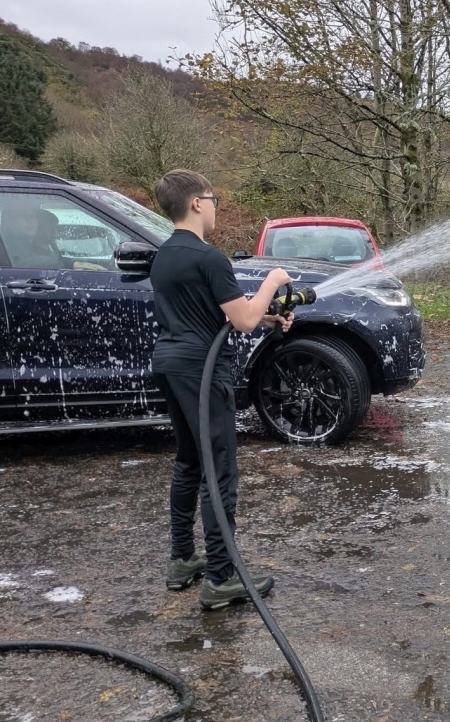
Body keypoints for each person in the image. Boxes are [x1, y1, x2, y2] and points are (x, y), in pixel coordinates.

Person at [150, 169, 295, 611]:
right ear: (197, 203)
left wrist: (268, 316)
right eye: (213, 199)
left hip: (171, 364)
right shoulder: (208, 256)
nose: (216, 207)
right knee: (219, 473)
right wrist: (273, 281)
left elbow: (225, 315)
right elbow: (243, 321)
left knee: (189, 462)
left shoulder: (165, 255)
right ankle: (219, 577)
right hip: (202, 372)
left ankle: (181, 560)